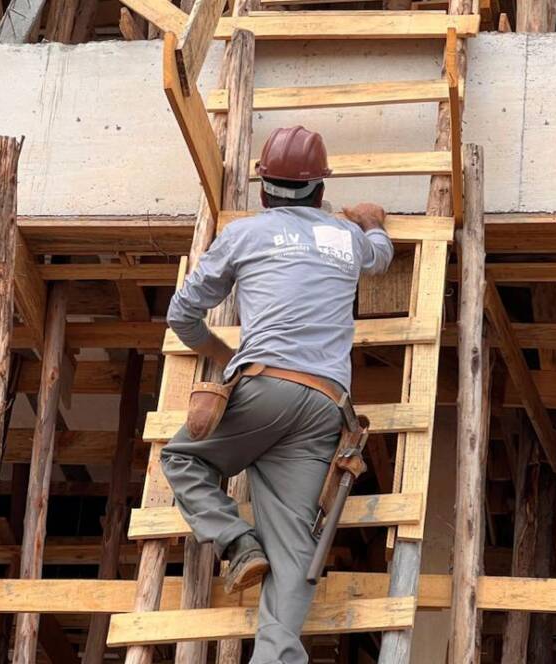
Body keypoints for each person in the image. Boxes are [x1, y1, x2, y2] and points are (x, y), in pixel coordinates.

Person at [162, 125, 394, 664]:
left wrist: (225, 355)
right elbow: (380, 256)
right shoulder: (346, 237)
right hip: (327, 408)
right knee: (294, 553)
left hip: (265, 389)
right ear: (320, 190)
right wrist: (372, 222)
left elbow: (181, 314)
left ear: (263, 192)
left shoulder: (244, 234)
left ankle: (238, 543)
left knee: (183, 459)